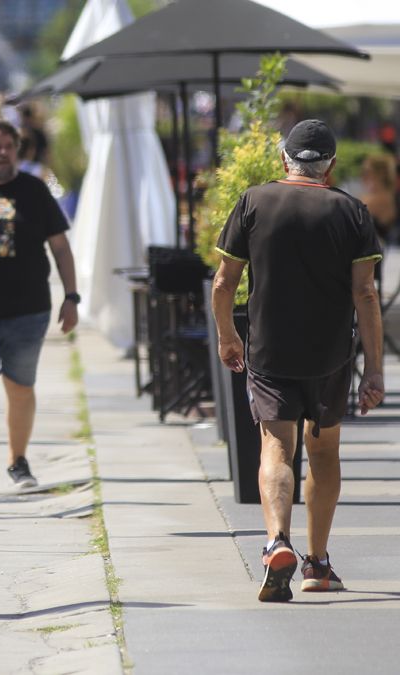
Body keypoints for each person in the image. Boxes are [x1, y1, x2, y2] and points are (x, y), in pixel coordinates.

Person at [211, 119, 384, 602]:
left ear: (284, 158)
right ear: (330, 165)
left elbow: (224, 283)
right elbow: (365, 294)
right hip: (330, 355)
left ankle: (276, 541)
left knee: (275, 448)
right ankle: (318, 563)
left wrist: (228, 337)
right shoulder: (352, 212)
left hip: (269, 350)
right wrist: (374, 370)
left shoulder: (254, 201)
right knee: (324, 452)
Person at [0, 118, 78, 496]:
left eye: (8, 146)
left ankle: (17, 461)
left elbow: (60, 247)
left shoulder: (34, 190)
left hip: (28, 310)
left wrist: (71, 297)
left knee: (20, 387)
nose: (1, 153)